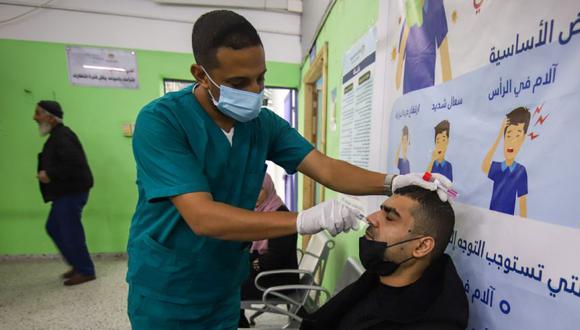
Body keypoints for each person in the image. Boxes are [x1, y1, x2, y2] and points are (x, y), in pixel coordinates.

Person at [126, 9, 452, 328]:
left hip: (225, 283)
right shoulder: (162, 122)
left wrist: (392, 182)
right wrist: (303, 220)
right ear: (200, 74)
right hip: (167, 286)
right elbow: (202, 217)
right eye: (239, 82)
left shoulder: (261, 124)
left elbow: (326, 168)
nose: (256, 91)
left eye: (261, 77)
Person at [301, 185, 468, 330]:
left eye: (390, 217)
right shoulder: (375, 279)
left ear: (421, 246)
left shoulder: (433, 323)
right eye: (380, 210)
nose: (371, 218)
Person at [33, 100, 95, 286]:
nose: (35, 117)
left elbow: (73, 164)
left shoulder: (63, 136)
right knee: (53, 227)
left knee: (70, 231)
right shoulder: (57, 136)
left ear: (50, 117)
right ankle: (77, 265)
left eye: (38, 113)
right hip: (64, 193)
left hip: (72, 192)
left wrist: (49, 174)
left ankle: (85, 270)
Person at [238, 173, 299, 328]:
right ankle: (240, 321)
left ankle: (240, 324)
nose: (254, 194)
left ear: (269, 188)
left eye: (259, 189)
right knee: (230, 274)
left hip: (279, 279)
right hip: (270, 274)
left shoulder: (281, 216)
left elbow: (274, 259)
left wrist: (252, 263)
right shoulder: (262, 212)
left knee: (230, 285)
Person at [481, 107, 530, 217]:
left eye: (517, 135)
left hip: (507, 223)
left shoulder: (520, 171)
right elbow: (484, 166)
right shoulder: (498, 167)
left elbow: (522, 205)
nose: (511, 141)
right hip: (491, 218)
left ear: (523, 139)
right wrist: (499, 136)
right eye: (508, 135)